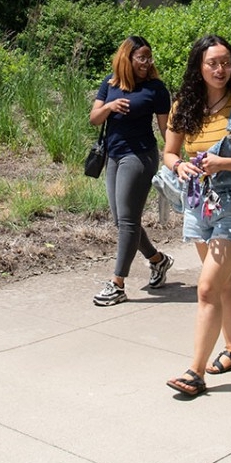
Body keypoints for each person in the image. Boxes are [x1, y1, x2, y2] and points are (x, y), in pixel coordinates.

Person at [162, 35, 231, 396]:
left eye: (226, 63)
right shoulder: (184, 107)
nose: (220, 69)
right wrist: (178, 166)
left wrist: (224, 162)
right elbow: (169, 153)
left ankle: (195, 372)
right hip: (198, 204)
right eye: (213, 63)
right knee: (223, 285)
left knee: (207, 287)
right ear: (199, 67)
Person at [89, 36, 175, 306]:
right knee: (123, 221)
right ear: (127, 58)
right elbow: (94, 119)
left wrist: (174, 158)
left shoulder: (156, 89)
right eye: (142, 58)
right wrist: (110, 106)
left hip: (139, 157)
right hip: (113, 156)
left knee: (127, 222)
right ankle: (158, 260)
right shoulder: (110, 83)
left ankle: (117, 284)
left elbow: (166, 129)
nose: (147, 63)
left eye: (149, 58)